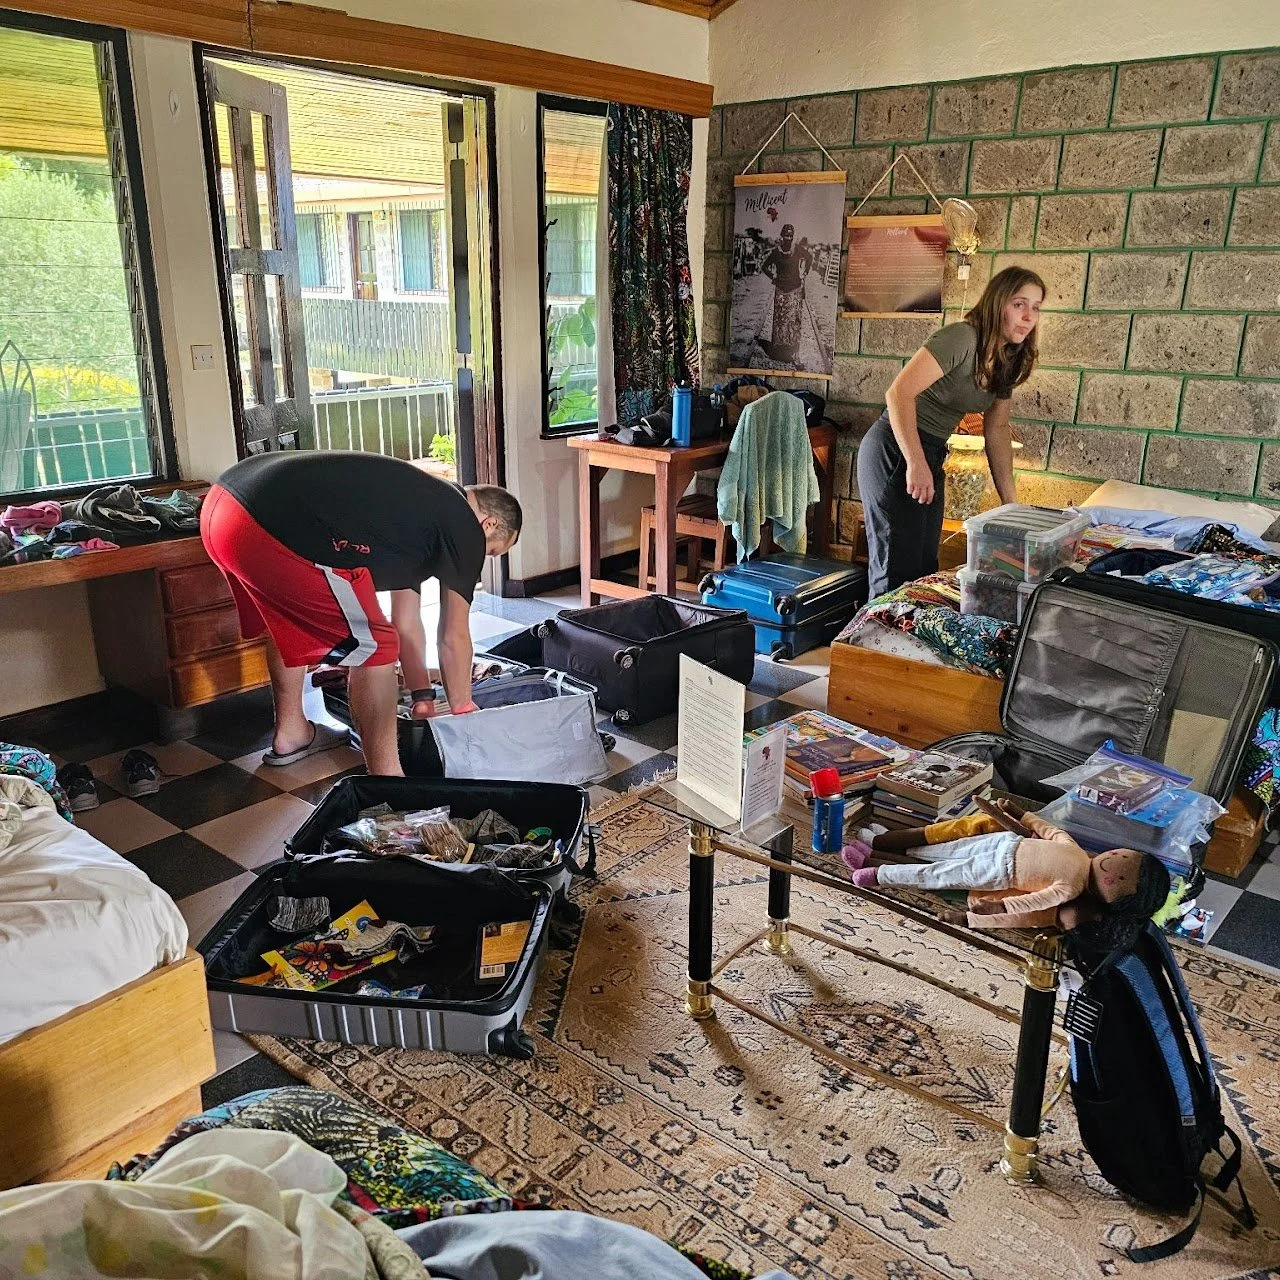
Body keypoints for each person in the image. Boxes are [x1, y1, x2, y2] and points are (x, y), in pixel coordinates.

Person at [200, 450, 521, 776]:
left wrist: (422, 696)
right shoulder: (464, 527)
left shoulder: (424, 511)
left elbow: (406, 625)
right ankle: (389, 781)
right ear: (489, 523)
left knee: (291, 621)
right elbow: (454, 636)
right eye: (492, 550)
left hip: (222, 511)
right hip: (268, 525)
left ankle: (292, 733)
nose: (482, 558)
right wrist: (464, 710)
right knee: (375, 648)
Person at [856, 266, 1046, 598]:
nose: (1029, 316)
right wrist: (915, 462)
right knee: (894, 569)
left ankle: (905, 645)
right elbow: (898, 394)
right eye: (1019, 304)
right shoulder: (961, 337)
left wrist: (1011, 504)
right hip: (895, 445)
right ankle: (868, 646)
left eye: (1036, 307)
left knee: (924, 568)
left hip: (930, 451)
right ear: (998, 302)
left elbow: (997, 429)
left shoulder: (1008, 359)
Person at [842, 804, 1170, 945]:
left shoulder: (1070, 888)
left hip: (999, 870)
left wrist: (1000, 908)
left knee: (940, 874)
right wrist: (1020, 814)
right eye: (1123, 855)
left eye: (1121, 878)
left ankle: (879, 875)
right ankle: (877, 846)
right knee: (938, 850)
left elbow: (1034, 901)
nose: (1114, 862)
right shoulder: (1077, 852)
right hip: (1003, 842)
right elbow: (1050, 830)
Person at [759, 223, 813, 364]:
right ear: (782, 236)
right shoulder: (776, 252)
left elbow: (809, 258)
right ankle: (778, 352)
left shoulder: (798, 250)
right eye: (786, 235)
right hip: (781, 292)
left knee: (794, 323)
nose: (788, 238)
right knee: (780, 322)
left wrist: (805, 273)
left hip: (795, 291)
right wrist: (773, 278)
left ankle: (795, 353)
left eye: (790, 235)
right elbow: (764, 267)